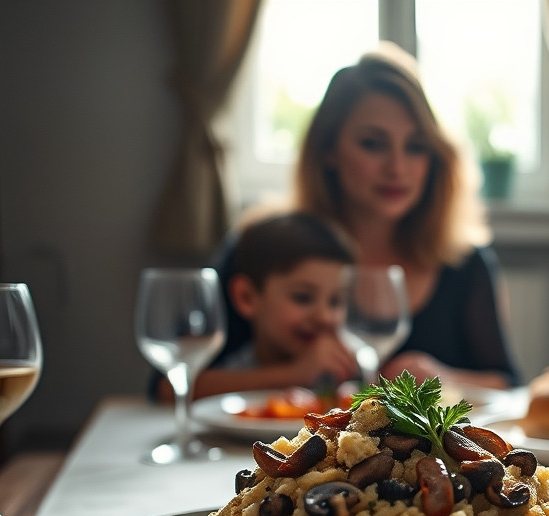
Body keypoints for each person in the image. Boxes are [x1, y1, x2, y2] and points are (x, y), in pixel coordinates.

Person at [214, 42, 517, 391]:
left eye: (416, 147)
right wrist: (294, 373)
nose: (397, 168)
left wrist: (444, 378)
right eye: (373, 144)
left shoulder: (465, 264)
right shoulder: (264, 246)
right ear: (328, 149)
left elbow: (509, 383)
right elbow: (168, 386)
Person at [186, 212, 360, 399]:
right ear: (247, 298)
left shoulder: (347, 368)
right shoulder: (235, 368)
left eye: (335, 301)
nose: (324, 316)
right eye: (302, 298)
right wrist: (296, 373)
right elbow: (180, 388)